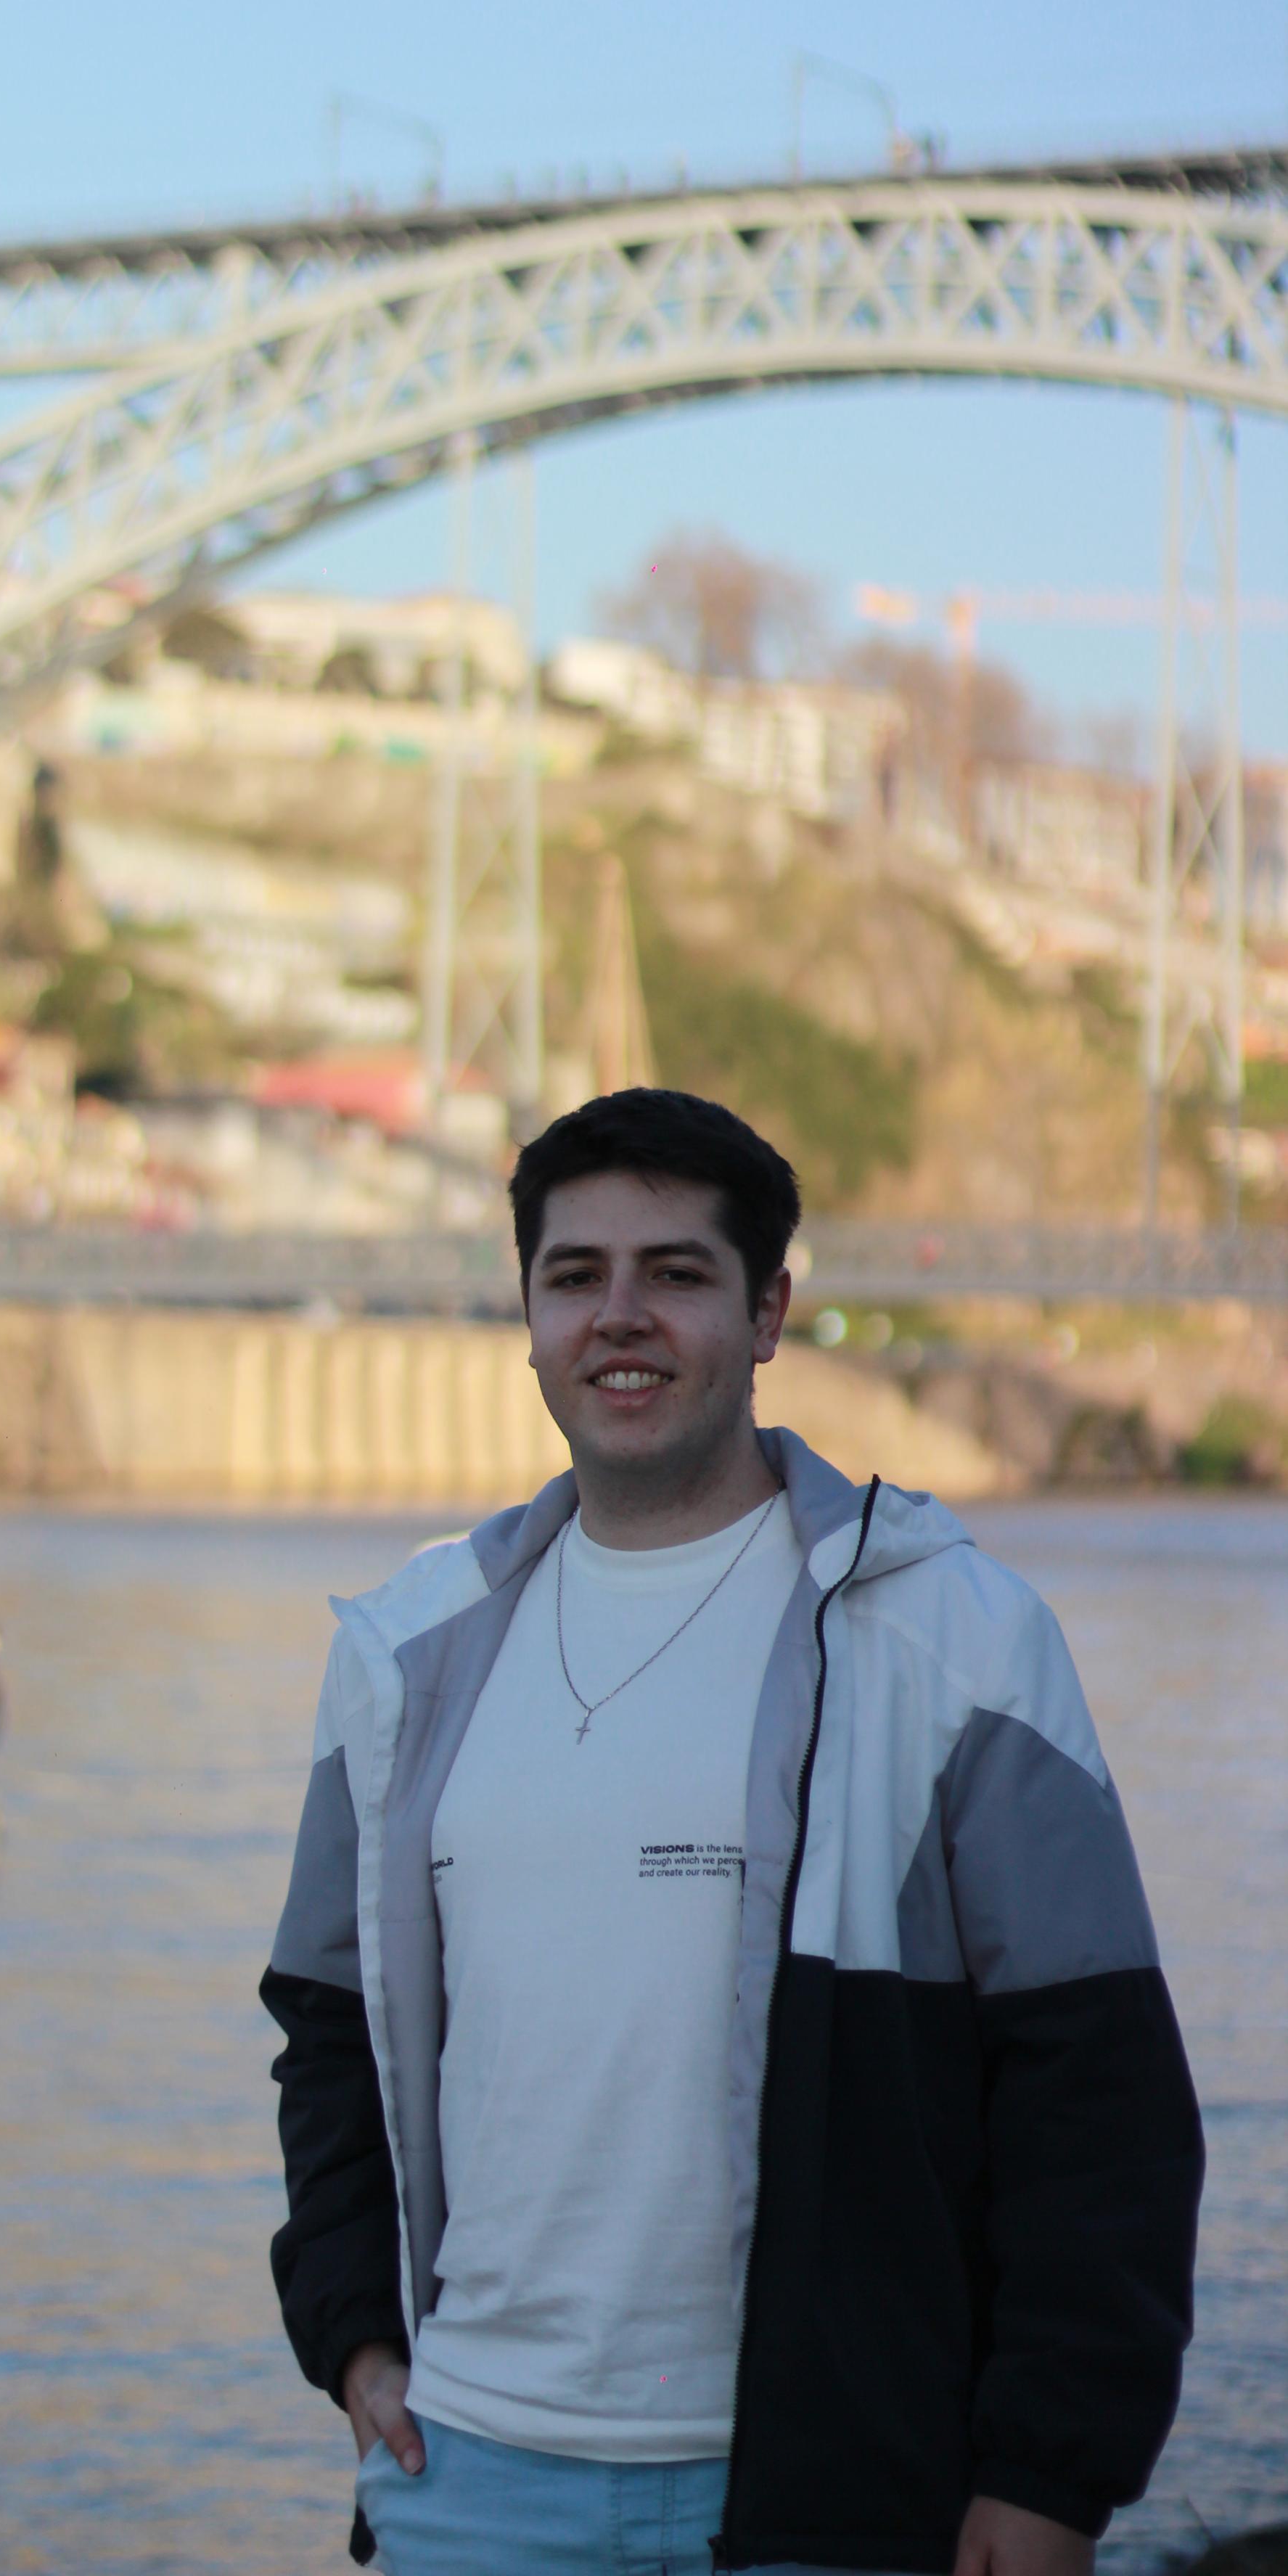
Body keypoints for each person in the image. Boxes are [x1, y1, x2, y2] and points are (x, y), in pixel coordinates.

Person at [261, 1088, 1202, 2576]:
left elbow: (1096, 2094)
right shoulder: (404, 1651)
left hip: (834, 2490)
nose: (618, 1317)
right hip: (473, 2480)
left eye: (675, 1274)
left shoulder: (950, 1634)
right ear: (526, 1316)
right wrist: (350, 2327)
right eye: (574, 1276)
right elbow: (324, 2028)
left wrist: (1047, 2472)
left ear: (768, 1312)